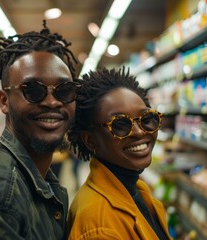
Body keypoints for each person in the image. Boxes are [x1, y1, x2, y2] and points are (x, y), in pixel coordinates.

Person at [0, 21, 80, 240]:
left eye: (64, 91)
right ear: (4, 101)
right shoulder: (2, 199)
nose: (52, 102)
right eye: (33, 90)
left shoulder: (37, 178)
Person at [67, 67, 171, 240]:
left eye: (146, 119)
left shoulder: (134, 188)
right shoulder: (99, 227)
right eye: (120, 124)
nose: (139, 132)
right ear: (90, 140)